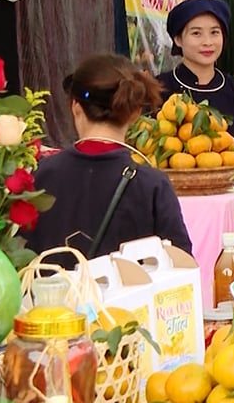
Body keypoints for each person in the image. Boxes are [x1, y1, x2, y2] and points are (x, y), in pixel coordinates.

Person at [27, 54, 191, 260]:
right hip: (133, 293)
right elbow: (181, 264)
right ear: (135, 113)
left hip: (52, 291)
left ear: (76, 107)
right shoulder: (152, 185)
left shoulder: (41, 174)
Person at [156, 0, 234, 173]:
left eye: (215, 32)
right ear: (178, 39)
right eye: (196, 33)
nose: (207, 42)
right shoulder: (159, 88)